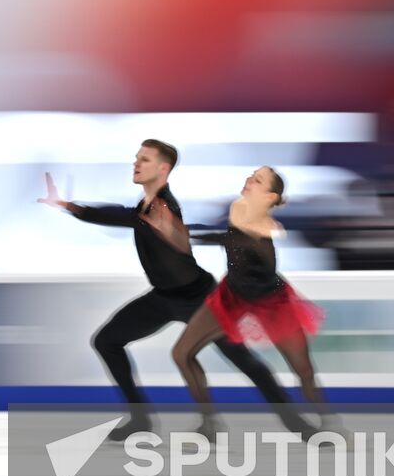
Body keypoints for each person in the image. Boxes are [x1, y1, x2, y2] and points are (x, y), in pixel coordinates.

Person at [40, 140, 313, 441]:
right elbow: (120, 215)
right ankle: (140, 420)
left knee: (246, 363)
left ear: (163, 168)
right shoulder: (146, 208)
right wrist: (70, 207)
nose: (136, 163)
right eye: (136, 158)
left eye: (144, 159)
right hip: (163, 298)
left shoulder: (164, 205)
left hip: (201, 298)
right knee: (106, 341)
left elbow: (177, 235)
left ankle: (298, 425)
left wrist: (175, 234)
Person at [142, 165, 336, 440]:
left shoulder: (267, 233)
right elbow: (222, 238)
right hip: (232, 295)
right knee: (181, 353)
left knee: (303, 370)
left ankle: (330, 422)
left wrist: (182, 232)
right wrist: (172, 230)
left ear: (269, 197)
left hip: (271, 301)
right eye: (252, 175)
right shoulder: (238, 207)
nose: (248, 180)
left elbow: (236, 245)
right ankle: (209, 425)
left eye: (257, 180)